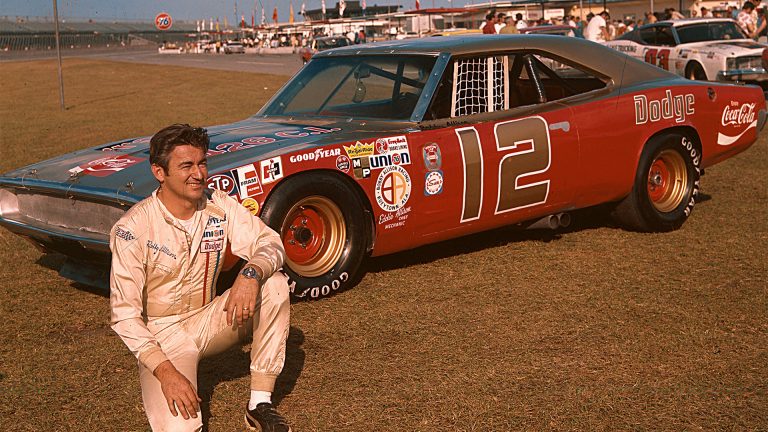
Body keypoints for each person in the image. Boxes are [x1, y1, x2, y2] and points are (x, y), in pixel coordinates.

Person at [109, 124, 292, 432]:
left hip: (208, 319)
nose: (198, 174)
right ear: (159, 172)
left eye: (202, 163)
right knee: (182, 428)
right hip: (162, 335)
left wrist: (250, 273)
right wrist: (166, 373)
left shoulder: (217, 204)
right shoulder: (133, 229)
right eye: (186, 165)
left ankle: (259, 403)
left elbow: (270, 242)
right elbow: (123, 316)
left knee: (273, 285)